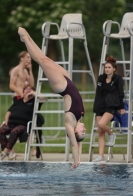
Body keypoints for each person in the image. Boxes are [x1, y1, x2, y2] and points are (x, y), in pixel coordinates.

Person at [18, 27, 86, 169]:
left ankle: (25, 38)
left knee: (42, 60)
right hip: (69, 80)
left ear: (74, 131)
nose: (85, 129)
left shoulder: (70, 121)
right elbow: (79, 143)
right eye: (85, 131)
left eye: (82, 132)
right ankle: (27, 37)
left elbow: (74, 144)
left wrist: (75, 162)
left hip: (62, 86)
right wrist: (80, 157)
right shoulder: (80, 118)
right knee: (45, 58)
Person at [92, 56, 125, 162]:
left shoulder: (118, 79)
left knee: (102, 124)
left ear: (114, 69)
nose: (107, 69)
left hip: (111, 106)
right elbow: (98, 93)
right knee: (100, 131)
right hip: (100, 106)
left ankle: (111, 134)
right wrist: (96, 107)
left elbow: (120, 93)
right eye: (106, 67)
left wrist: (121, 107)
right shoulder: (101, 78)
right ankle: (101, 156)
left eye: (109, 67)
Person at [0, 84, 44, 161]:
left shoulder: (35, 102)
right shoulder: (18, 101)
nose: (28, 90)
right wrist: (6, 120)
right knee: (1, 130)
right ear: (23, 92)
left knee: (14, 131)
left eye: (30, 89)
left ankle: (4, 153)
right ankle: (9, 152)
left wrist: (33, 93)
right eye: (26, 89)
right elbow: (9, 111)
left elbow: (43, 98)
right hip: (11, 123)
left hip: (23, 125)